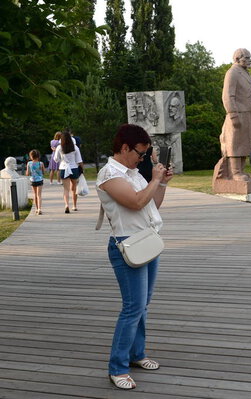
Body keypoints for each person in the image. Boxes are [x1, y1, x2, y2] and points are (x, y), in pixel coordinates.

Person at [96, 124, 173, 390]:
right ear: (125, 147)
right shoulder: (109, 174)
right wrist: (153, 179)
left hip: (147, 241)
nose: (142, 159)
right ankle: (117, 367)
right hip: (127, 246)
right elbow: (136, 202)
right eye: (140, 153)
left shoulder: (132, 172)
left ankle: (136, 354)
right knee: (132, 308)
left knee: (143, 304)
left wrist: (160, 182)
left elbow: (152, 204)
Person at [213, 48, 251, 182]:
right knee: (235, 144)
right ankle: (234, 172)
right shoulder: (232, 73)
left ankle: (241, 171)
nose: (249, 61)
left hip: (248, 114)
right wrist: (233, 114)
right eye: (246, 58)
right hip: (237, 113)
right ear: (237, 59)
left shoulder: (246, 73)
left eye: (250, 58)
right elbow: (227, 96)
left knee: (244, 144)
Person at [53, 131, 83, 213]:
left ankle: (66, 205)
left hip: (63, 168)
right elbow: (79, 160)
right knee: (74, 188)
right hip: (74, 168)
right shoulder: (75, 147)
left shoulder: (59, 147)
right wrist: (82, 169)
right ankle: (74, 206)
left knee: (66, 189)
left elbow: (56, 159)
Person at [26, 149, 46, 215]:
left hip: (33, 180)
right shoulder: (41, 163)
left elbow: (27, 173)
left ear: (31, 156)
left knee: (35, 195)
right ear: (38, 156)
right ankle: (40, 209)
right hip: (39, 180)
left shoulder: (29, 163)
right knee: (39, 195)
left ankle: (36, 209)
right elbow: (43, 172)